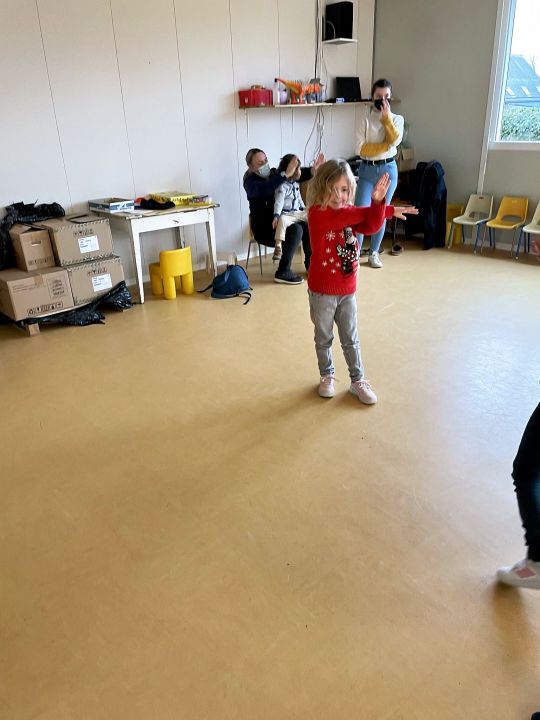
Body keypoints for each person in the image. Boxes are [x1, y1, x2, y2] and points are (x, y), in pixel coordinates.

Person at [306, 159, 417, 403]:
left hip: (347, 290)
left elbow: (371, 225)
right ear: (322, 189)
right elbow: (347, 215)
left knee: (350, 338)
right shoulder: (317, 214)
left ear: (351, 189)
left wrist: (378, 204)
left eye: (344, 189)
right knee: (323, 337)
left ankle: (358, 381)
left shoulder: (351, 214)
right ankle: (327, 375)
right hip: (322, 292)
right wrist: (386, 209)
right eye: (332, 189)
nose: (339, 196)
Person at [243, 149, 324, 284]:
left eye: (266, 160)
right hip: (265, 230)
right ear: (250, 167)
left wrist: (312, 171)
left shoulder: (274, 174)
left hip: (282, 222)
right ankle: (283, 271)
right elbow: (266, 188)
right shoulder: (250, 182)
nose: (265, 164)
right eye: (260, 163)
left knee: (306, 224)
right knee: (296, 229)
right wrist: (285, 175)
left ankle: (311, 265)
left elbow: (295, 175)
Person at [354, 78, 404, 269]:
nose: (382, 100)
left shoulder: (397, 119)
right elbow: (360, 149)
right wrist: (386, 145)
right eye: (378, 96)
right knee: (360, 211)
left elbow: (395, 141)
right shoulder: (364, 120)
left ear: (391, 97)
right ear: (372, 96)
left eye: (386, 96)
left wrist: (386, 119)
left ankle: (374, 252)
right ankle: (355, 252)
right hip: (367, 170)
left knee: (380, 212)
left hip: (387, 169)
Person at [272, 154, 307, 262]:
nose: (300, 172)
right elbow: (279, 201)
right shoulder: (282, 185)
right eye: (298, 169)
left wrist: (304, 209)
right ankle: (278, 246)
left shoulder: (296, 184)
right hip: (287, 215)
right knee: (282, 220)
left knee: (312, 214)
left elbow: (299, 198)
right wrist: (276, 216)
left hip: (298, 213)